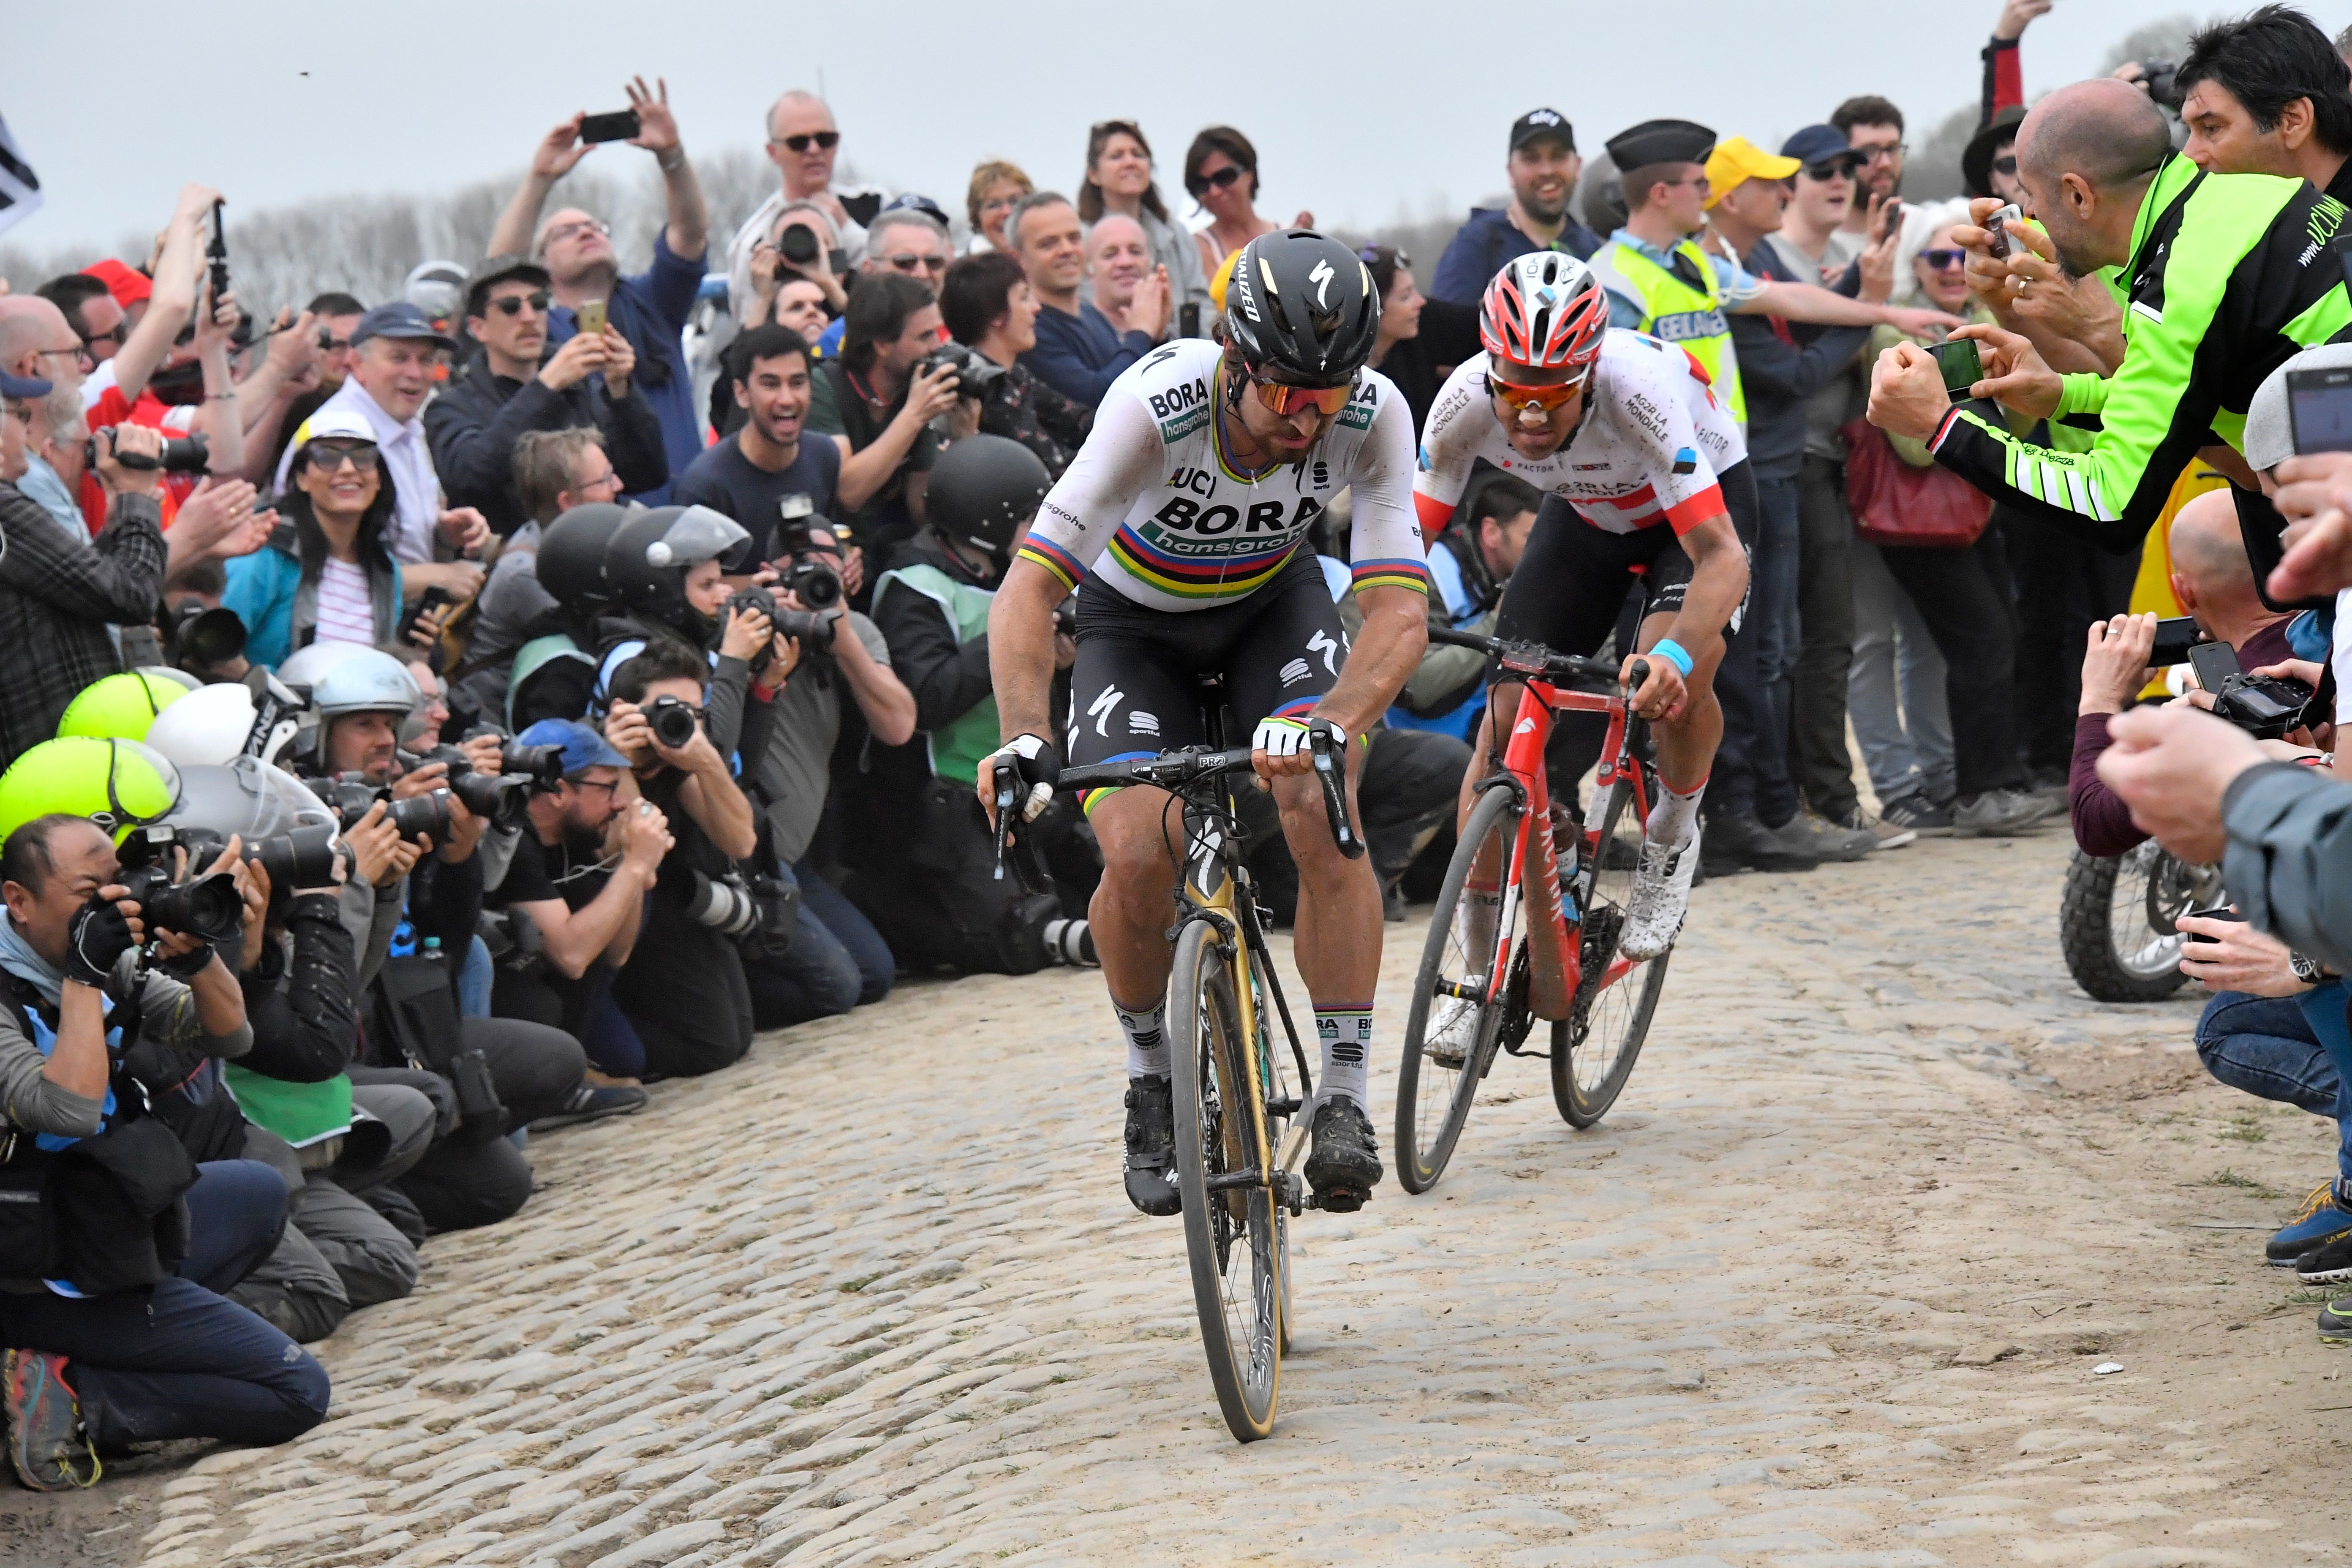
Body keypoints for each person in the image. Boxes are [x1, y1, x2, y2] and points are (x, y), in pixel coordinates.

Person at [984, 229, 1430, 1217]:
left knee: (1322, 796)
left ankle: (1346, 1092)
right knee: (1137, 854)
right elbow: (1025, 593)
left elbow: (1399, 611)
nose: (1307, 421)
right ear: (1235, 362)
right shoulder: (1153, 408)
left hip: (1273, 608)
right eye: (1284, 394)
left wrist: (1337, 719)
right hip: (1130, 627)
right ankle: (1150, 1075)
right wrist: (1022, 734)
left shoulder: (1373, 414)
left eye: (1328, 394)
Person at [1869, 79, 2352, 559]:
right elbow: (2186, 398)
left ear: (2078, 196)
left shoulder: (2184, 283)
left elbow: (2110, 502)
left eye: (2033, 196)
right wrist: (2063, 395)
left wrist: (1943, 424)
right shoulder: (2247, 195)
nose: (2030, 214)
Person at [1417, 253, 1754, 927]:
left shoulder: (1636, 393)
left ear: (1591, 372)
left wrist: (1676, 660)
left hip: (1688, 521)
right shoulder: (1461, 403)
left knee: (1671, 687)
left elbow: (1722, 559)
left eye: (1556, 392)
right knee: (1502, 725)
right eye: (1515, 392)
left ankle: (1671, 835)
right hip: (1586, 516)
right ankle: (1468, 974)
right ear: (1490, 372)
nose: (1533, 415)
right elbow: (1400, 555)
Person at [0, 812, 329, 1489]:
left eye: (118, 885)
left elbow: (230, 1035)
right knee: (299, 1391)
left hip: (99, 1222)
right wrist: (85, 980)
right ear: (20, 902)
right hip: (37, 1269)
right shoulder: (45, 980)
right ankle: (79, 1398)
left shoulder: (98, 961)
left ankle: (107, 1352)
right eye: (90, 891)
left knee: (257, 1193)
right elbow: (70, 1109)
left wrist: (199, 954)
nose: (114, 906)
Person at [1706, 136, 1899, 851]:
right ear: (1732, 197)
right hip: (1759, 473)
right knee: (1766, 651)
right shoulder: (1720, 269)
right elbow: (1789, 373)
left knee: (1780, 648)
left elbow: (1808, 320)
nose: (1785, 194)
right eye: (1774, 183)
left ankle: (1775, 806)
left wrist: (1860, 288)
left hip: (1780, 469)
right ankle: (1768, 810)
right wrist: (1872, 308)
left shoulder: (1743, 262)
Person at [852, 436, 1094, 974]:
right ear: (986, 521)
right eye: (1029, 518)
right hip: (951, 802)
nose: (1040, 531)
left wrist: (1060, 658)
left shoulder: (1012, 577)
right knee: (1016, 937)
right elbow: (930, 699)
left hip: (1021, 787)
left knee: (1093, 883)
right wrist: (1013, 633)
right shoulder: (915, 588)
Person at [1858, 204, 2055, 837]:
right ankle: (1982, 791)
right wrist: (1974, 394)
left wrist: (2002, 391)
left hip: (1978, 510)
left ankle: (1995, 779)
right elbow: (1914, 443)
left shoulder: (1986, 327)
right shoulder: (1895, 338)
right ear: (1915, 266)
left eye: (1958, 258)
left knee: (2002, 637)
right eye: (1936, 258)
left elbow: (2027, 423)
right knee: (1981, 644)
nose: (1950, 271)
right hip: (1921, 524)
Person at [485, 79, 711, 500]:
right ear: (541, 266)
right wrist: (539, 179)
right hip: (600, 530)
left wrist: (671, 156)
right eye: (566, 232)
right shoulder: (538, 330)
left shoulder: (653, 303)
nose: (586, 233)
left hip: (688, 513)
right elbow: (495, 279)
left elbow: (692, 232)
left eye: (594, 227)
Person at [603, 640, 765, 1078]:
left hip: (673, 902)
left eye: (694, 712)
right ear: (624, 710)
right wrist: (616, 761)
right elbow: (638, 849)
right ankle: (598, 1053)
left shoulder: (680, 756)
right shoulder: (593, 758)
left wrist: (708, 761)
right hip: (620, 916)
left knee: (740, 1035)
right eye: (665, 708)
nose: (679, 722)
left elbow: (741, 841)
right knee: (712, 1047)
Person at [422, 257, 667, 538]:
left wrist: (621, 390)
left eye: (539, 303)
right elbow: (470, 481)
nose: (529, 317)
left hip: (600, 551)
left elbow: (647, 474)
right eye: (511, 307)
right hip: (515, 568)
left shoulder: (579, 387)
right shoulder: (451, 407)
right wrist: (546, 386)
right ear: (479, 328)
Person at [483, 719, 670, 1085]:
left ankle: (579, 1064)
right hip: (505, 998)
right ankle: (563, 1082)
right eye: (607, 789)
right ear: (558, 790)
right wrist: (633, 867)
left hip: (572, 987)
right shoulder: (515, 840)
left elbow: (617, 953)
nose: (619, 804)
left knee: (629, 1058)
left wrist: (634, 868)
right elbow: (571, 957)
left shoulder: (575, 835)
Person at [270, 303, 490, 603]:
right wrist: (439, 576)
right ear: (357, 364)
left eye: (426, 360)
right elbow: (314, 571)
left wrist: (442, 530)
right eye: (399, 358)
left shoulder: (407, 429)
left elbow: (393, 537)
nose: (415, 373)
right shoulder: (335, 436)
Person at [0, 378, 171, 765]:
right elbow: (131, 597)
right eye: (19, 415)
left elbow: (71, 599)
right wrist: (137, 498)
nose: (29, 429)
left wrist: (116, 529)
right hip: (52, 768)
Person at [455, 431, 623, 727]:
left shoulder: (555, 540)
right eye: (605, 480)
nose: (618, 486)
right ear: (568, 501)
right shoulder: (528, 573)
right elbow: (596, 638)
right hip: (494, 723)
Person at [225, 411, 416, 670]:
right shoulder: (267, 552)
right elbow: (216, 647)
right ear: (301, 479)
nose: (348, 470)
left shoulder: (386, 569)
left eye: (363, 457)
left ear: (379, 478)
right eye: (327, 457)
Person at [806, 275, 959, 557]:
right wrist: (914, 416)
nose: (937, 347)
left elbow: (922, 512)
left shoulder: (911, 389)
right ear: (882, 344)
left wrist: (964, 434)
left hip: (891, 546)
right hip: (832, 548)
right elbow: (849, 493)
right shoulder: (824, 386)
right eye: (925, 336)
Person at [1390, 474, 1542, 743]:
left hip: (1475, 723)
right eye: (1530, 539)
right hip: (1419, 742)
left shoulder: (1509, 576)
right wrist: (1498, 620)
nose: (1540, 553)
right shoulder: (1430, 574)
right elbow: (1417, 688)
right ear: (1491, 532)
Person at [674, 325, 844, 566]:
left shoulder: (825, 456)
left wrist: (838, 562)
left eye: (797, 383)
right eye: (771, 385)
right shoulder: (705, 486)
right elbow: (694, 587)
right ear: (742, 393)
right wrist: (769, 587)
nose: (787, 399)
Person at [727, 90, 890, 326]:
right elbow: (749, 331)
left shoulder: (874, 203)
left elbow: (901, 289)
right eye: (799, 143)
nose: (814, 150)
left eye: (825, 140)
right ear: (773, 153)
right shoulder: (753, 241)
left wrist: (847, 231)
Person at [940, 251, 1093, 480]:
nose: (1037, 307)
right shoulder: (984, 389)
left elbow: (1076, 418)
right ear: (995, 314)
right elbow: (1052, 470)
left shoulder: (1015, 374)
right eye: (1024, 297)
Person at [1430, 110, 1602, 304]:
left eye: (1558, 157)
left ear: (1578, 166)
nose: (1547, 171)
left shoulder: (1592, 251)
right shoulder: (1476, 245)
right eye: (1532, 159)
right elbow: (1443, 331)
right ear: (1511, 172)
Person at [1015, 193, 1168, 407]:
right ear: (1019, 259)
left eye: (1074, 238)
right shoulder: (1030, 331)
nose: (1067, 250)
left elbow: (1143, 390)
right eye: (1049, 244)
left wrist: (1156, 339)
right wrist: (1141, 333)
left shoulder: (1092, 316)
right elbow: (1099, 399)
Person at [1076, 120, 1211, 314]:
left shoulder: (1175, 234)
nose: (1130, 163)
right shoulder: (1080, 239)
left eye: (1138, 155)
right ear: (1094, 174)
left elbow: (1202, 303)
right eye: (1117, 156)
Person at [1358, 245, 1481, 434]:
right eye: (1406, 297)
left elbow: (1488, 325)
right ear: (1371, 309)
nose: (1420, 302)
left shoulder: (1424, 323)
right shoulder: (1337, 373)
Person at [1184, 126, 1309, 275]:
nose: (1215, 192)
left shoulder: (1291, 234)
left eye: (1224, 177)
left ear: (1250, 173)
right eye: (1202, 184)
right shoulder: (1195, 248)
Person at [1832, 96, 1908, 245]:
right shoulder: (1819, 242)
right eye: (1869, 151)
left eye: (1892, 149)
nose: (1885, 163)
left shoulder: (1924, 234)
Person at [966, 160, 1034, 254]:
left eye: (1014, 201)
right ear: (977, 217)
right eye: (994, 206)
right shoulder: (964, 268)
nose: (1007, 212)